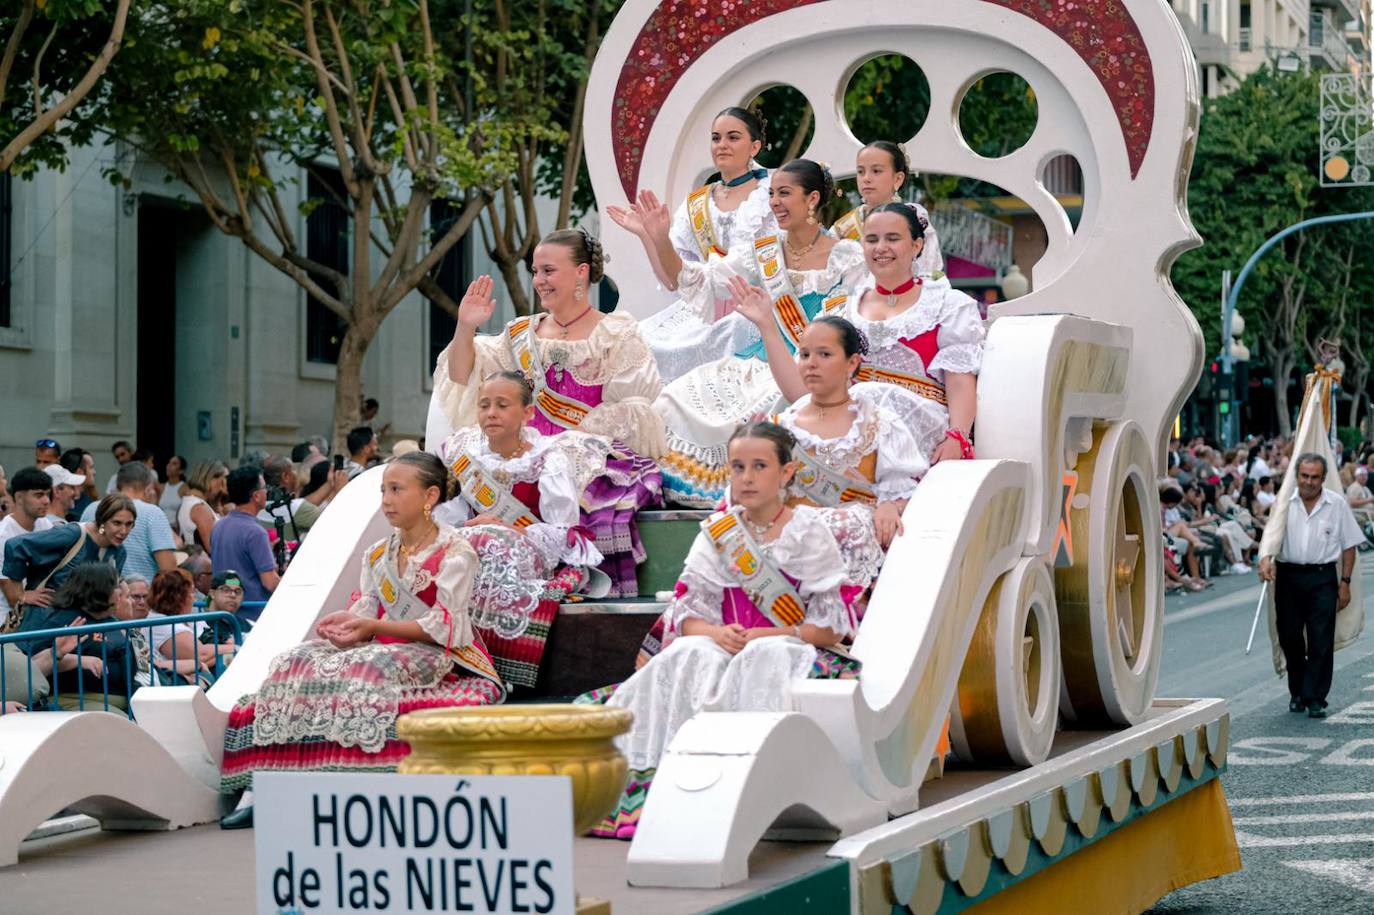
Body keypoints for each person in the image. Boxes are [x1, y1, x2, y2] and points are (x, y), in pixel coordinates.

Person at [585, 421, 865, 839]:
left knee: (763, 657)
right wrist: (717, 635)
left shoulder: (807, 533)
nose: (747, 478)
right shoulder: (718, 534)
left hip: (789, 649)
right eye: (737, 467)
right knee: (687, 653)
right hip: (726, 646)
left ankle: (751, 786)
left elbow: (828, 630)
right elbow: (689, 618)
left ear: (786, 473)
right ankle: (663, 787)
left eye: (759, 466)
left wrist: (764, 636)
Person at [218, 452, 505, 828]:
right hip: (384, 644)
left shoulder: (455, 552)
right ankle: (262, 786)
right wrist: (348, 627)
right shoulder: (378, 554)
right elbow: (368, 609)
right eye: (384, 490)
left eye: (397, 490)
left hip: (440, 653)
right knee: (294, 661)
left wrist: (369, 630)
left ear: (429, 496)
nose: (386, 500)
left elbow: (444, 628)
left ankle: (352, 788)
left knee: (366, 671)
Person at [438, 228, 665, 595]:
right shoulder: (519, 334)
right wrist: (466, 326)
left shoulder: (615, 333)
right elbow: (463, 374)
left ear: (581, 272)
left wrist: (572, 436)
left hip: (583, 454)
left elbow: (635, 403)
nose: (539, 281)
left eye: (548, 271)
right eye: (535, 271)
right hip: (520, 450)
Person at [648, 159, 868, 506]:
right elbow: (701, 281)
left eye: (784, 193)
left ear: (812, 199)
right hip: (749, 363)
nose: (775, 202)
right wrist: (660, 238)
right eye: (771, 194)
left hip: (801, 372)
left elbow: (847, 327)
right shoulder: (762, 251)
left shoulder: (848, 257)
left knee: (761, 416)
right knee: (671, 400)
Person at [756, 203, 983, 469]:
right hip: (847, 426)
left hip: (918, 429)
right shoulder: (840, 310)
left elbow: (959, 382)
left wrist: (957, 437)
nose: (880, 247)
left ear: (917, 245)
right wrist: (766, 325)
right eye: (872, 239)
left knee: (867, 395)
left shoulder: (947, 304)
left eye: (893, 238)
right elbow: (803, 392)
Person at [436, 371, 608, 688]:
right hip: (477, 548)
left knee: (490, 540)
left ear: (528, 413)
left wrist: (507, 528)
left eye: (502, 405)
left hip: (530, 554)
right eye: (484, 405)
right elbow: (453, 517)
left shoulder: (546, 460)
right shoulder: (469, 461)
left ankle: (497, 661)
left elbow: (564, 533)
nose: (491, 413)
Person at [612, 107, 778, 383]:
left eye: (733, 137)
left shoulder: (773, 194)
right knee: (639, 342)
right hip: (705, 310)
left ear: (755, 146)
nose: (722, 145)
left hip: (758, 308)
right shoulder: (697, 205)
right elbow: (672, 281)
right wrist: (650, 236)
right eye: (716, 138)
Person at [772, 317, 922, 552]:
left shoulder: (879, 424)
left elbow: (902, 489)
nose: (811, 364)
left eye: (824, 355)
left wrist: (891, 506)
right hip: (791, 554)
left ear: (852, 363)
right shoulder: (781, 428)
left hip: (853, 555)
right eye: (804, 355)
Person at [1259, 453, 1364, 718]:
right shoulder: (1283, 503)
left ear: (1323, 478)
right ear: (1297, 476)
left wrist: (1345, 582)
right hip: (1289, 577)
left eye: (1315, 477)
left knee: (1320, 639)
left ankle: (1315, 697)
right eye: (1304, 476)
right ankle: (1297, 690)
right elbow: (1269, 538)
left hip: (1322, 577)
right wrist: (1265, 560)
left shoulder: (1336, 504)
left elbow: (1349, 545)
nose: (1309, 482)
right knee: (1290, 637)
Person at [2, 494, 134, 632]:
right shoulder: (72, 534)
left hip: (83, 628)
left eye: (129, 524)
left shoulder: (119, 552)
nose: (123, 531)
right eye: (117, 523)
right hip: (43, 623)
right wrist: (20, 594)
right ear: (102, 521)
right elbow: (16, 545)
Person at [12, 562, 135, 707]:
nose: (120, 591)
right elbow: (30, 667)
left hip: (127, 698)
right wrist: (73, 659)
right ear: (100, 589)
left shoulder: (111, 620)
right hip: (78, 701)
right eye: (115, 586)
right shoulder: (63, 621)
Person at [829, 141, 944, 278]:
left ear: (898, 179)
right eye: (861, 172)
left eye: (876, 171)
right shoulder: (842, 228)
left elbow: (930, 271)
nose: (866, 178)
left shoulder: (915, 217)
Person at [80, 461, 177, 582]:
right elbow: (168, 569)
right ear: (149, 488)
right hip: (141, 596)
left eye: (129, 524)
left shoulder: (91, 508)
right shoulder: (153, 513)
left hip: (96, 592)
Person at [210, 466, 280, 621]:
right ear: (256, 496)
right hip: (252, 616)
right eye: (264, 487)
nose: (266, 491)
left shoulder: (219, 526)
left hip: (224, 614)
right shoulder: (255, 532)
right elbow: (269, 582)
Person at [145, 569, 235, 688]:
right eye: (191, 592)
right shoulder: (159, 623)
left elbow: (213, 647)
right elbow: (202, 655)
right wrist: (236, 648)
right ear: (178, 596)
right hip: (182, 684)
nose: (194, 598)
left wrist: (227, 648)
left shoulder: (187, 617)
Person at [0, 469, 57, 624]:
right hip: (8, 622)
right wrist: (24, 595)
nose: (46, 501)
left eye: (47, 494)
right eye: (39, 495)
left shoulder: (44, 524)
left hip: (39, 610)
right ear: (19, 497)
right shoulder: (3, 535)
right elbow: (13, 596)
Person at [179, 460, 228, 551]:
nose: (226, 483)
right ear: (212, 479)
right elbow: (213, 548)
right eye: (225, 478)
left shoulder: (191, 501)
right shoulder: (199, 507)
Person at [59, 448, 99, 519]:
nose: (94, 472)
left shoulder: (91, 501)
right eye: (91, 468)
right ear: (79, 472)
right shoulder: (63, 506)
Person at [1346, 465, 1374, 543]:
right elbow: (1352, 502)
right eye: (1361, 475)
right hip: (1360, 513)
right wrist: (1369, 500)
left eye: (1365, 475)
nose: (1364, 477)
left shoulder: (1364, 488)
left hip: (1367, 512)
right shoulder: (1355, 487)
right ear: (1356, 477)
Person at [160, 455, 188, 529]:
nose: (169, 465)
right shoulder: (161, 487)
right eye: (169, 463)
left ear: (181, 470)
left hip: (176, 529)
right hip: (161, 527)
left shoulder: (184, 488)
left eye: (174, 463)